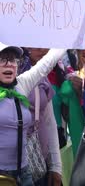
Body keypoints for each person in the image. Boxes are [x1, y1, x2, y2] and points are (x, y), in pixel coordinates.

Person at [0, 42, 65, 185]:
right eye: (2, 59)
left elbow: (48, 62)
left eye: (12, 60)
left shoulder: (21, 84)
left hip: (24, 173)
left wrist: (71, 35)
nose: (9, 64)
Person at [21, 48, 63, 186]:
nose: (43, 49)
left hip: (40, 163)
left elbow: (49, 121)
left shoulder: (40, 77)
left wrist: (56, 166)